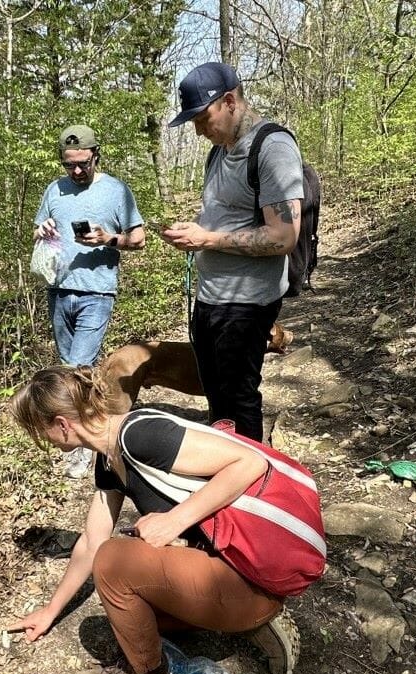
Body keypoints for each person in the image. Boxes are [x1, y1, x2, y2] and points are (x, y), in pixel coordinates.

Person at [8, 366, 301, 674]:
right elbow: (90, 540)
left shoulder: (140, 435)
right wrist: (50, 611)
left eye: (41, 433)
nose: (46, 443)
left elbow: (250, 463)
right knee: (130, 615)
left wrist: (174, 521)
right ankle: (256, 623)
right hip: (225, 573)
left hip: (248, 576)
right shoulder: (108, 458)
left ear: (61, 423)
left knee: (114, 562)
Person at [161, 63, 304, 443]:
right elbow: (223, 215)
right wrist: (190, 232)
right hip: (210, 297)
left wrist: (206, 239)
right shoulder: (218, 153)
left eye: (202, 118)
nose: (197, 129)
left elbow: (284, 236)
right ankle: (224, 474)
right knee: (217, 397)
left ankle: (254, 483)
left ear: (229, 101)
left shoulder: (272, 147)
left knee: (239, 399)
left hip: (247, 301)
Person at [33, 124, 146, 478]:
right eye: (70, 165)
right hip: (58, 288)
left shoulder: (116, 191)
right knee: (68, 366)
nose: (77, 171)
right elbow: (40, 226)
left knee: (78, 366)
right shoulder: (54, 190)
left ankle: (83, 445)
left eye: (83, 163)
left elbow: (139, 239)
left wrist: (109, 239)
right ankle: (85, 428)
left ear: (96, 155)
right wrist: (43, 230)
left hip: (97, 291)